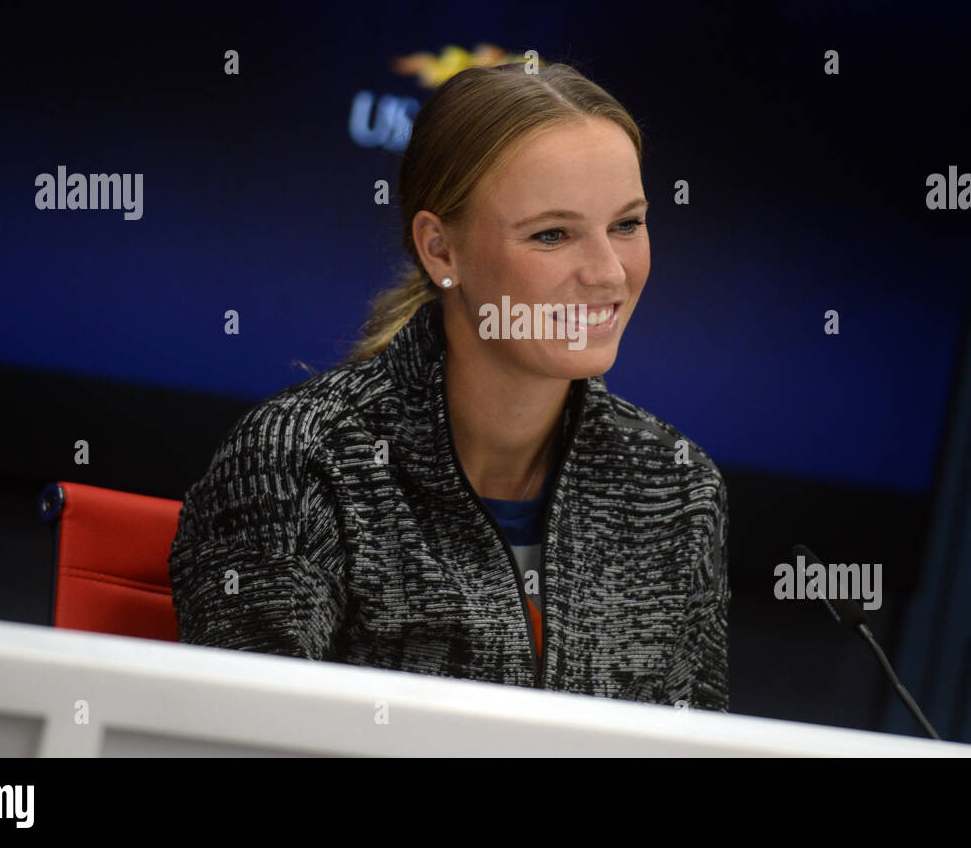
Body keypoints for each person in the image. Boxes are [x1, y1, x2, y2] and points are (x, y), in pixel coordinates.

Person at [169, 62, 730, 711]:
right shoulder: (298, 462)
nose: (608, 273)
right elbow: (243, 741)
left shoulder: (680, 486)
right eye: (553, 234)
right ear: (441, 250)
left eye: (627, 224)